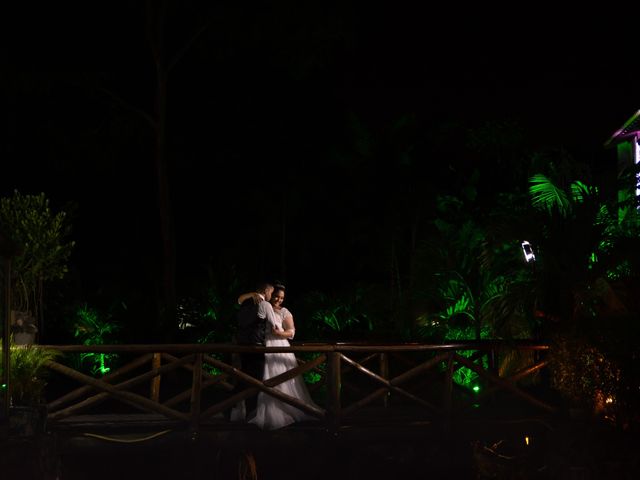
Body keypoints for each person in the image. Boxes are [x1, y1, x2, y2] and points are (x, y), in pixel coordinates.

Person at [236, 283, 317, 430]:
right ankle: (265, 409)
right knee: (265, 377)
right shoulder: (262, 304)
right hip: (264, 345)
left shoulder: (284, 311)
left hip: (280, 345)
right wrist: (253, 294)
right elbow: (242, 302)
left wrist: (281, 333)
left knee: (283, 376)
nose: (279, 300)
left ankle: (288, 406)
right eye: (277, 296)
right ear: (270, 294)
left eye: (282, 298)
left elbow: (292, 332)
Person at [232, 281, 278, 421]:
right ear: (265, 291)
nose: (272, 295)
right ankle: (251, 413)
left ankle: (234, 408)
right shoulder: (265, 304)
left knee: (244, 377)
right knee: (256, 380)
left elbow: (238, 302)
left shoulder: (246, 301)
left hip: (242, 343)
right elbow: (274, 325)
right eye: (271, 292)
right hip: (255, 345)